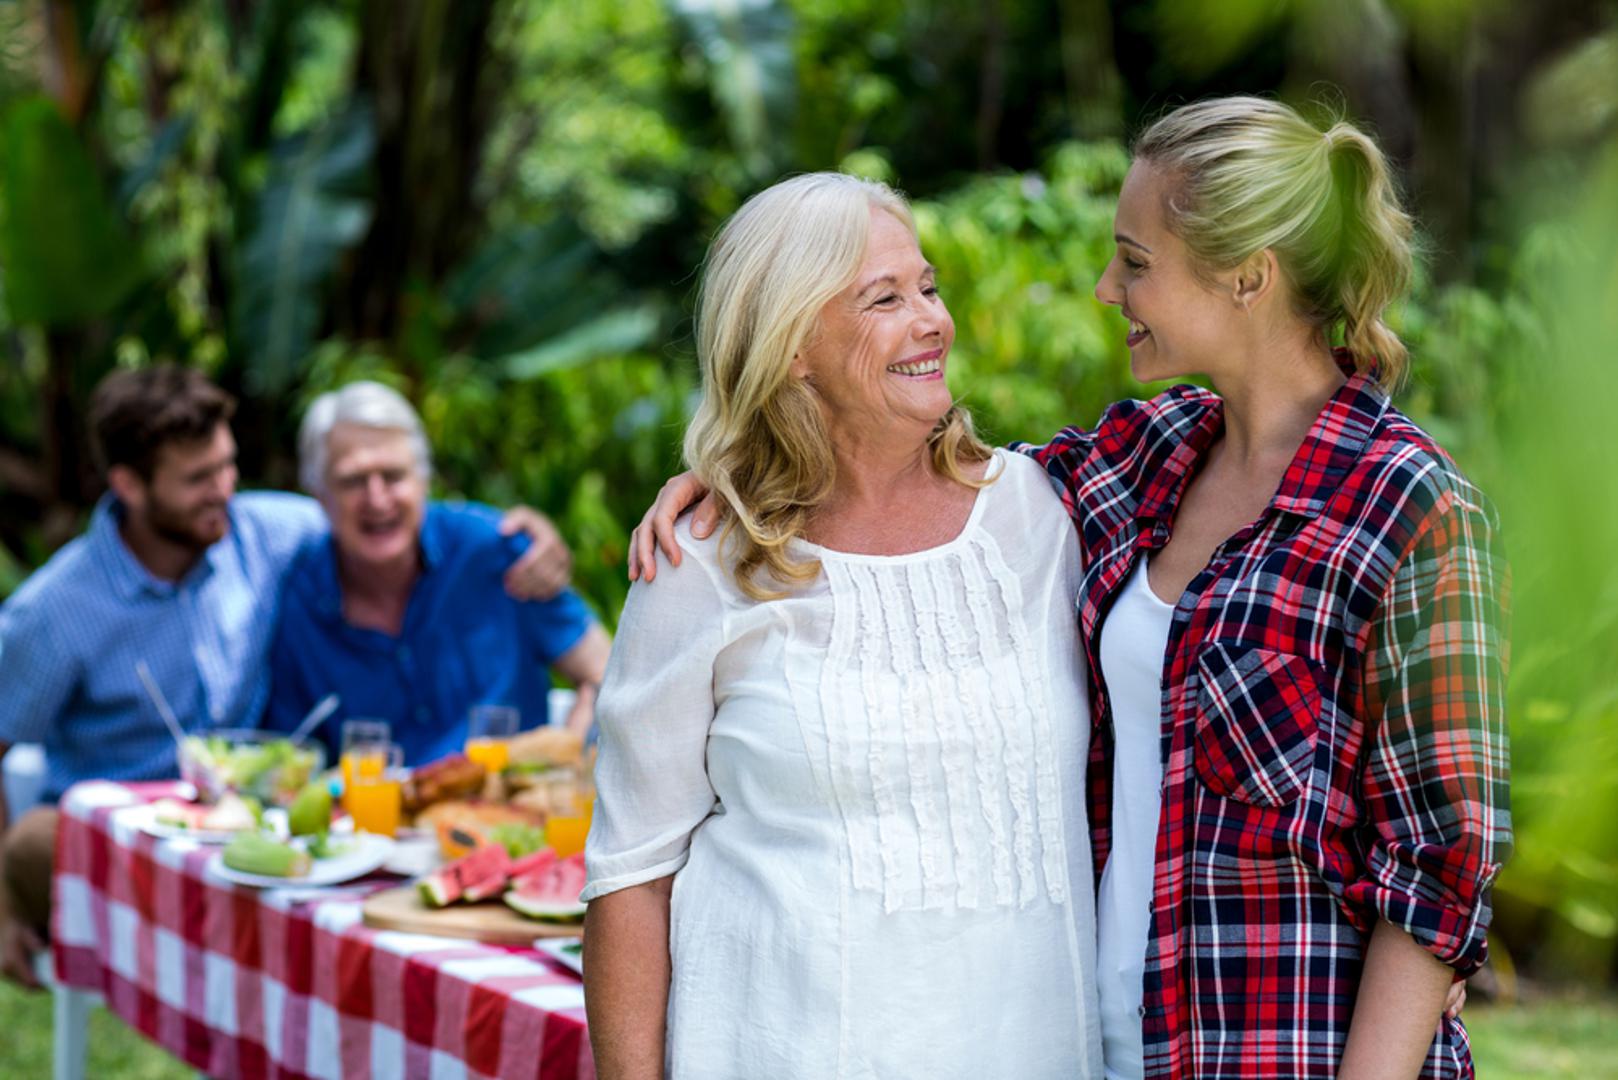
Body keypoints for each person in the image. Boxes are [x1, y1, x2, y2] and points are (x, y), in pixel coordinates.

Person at [630, 97, 1507, 1079]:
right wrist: (740, 466)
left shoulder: (1409, 505)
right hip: (1113, 1047)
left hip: (1287, 1053)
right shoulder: (1143, 462)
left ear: (1246, 277)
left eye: (1135, 262)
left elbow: (1438, 871)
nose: (1104, 287)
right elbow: (906, 484)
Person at [582, 173, 1102, 1079]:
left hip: (1036, 1049)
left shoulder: (1043, 515)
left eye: (929, 288)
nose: (933, 320)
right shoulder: (700, 562)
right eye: (884, 299)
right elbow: (631, 874)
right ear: (791, 348)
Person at [0, 365, 572, 988]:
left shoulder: (265, 531)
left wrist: (523, 536)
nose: (224, 490)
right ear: (129, 486)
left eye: (227, 466)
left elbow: (390, 514)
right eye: (198, 479)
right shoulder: (56, 610)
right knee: (36, 840)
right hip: (122, 847)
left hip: (251, 841)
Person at [263, 381, 610, 764]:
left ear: (424, 480)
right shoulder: (300, 603)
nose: (377, 500)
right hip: (372, 822)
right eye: (353, 481)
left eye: (393, 476)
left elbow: (607, 673)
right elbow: (291, 758)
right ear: (319, 495)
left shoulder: (494, 550)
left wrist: (566, 759)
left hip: (510, 816)